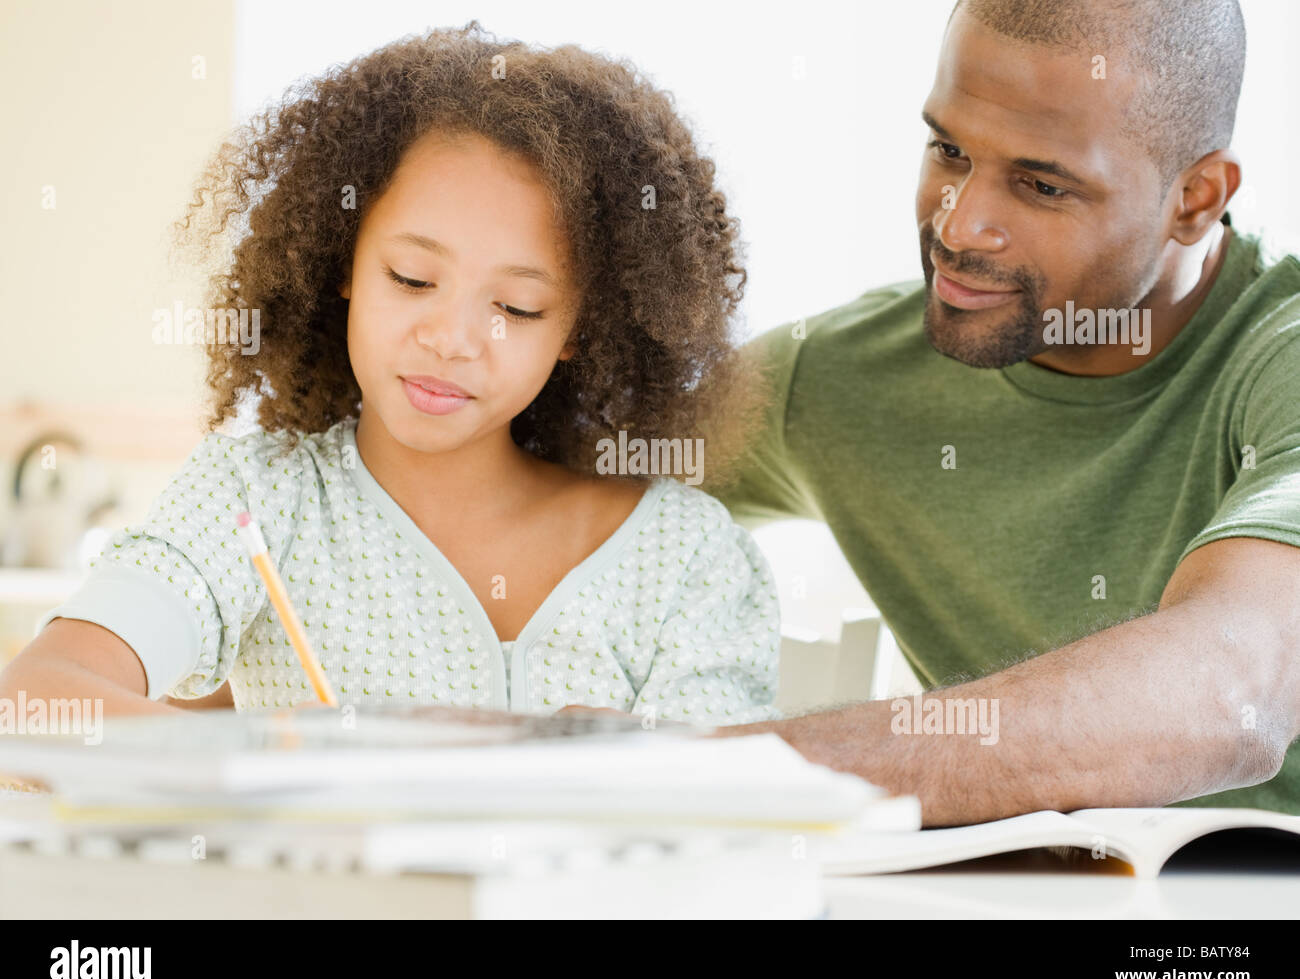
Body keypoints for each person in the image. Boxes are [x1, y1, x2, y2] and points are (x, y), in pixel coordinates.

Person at [0, 23, 779, 726]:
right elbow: (37, 701)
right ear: (343, 262)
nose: (451, 339)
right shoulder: (256, 503)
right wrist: (290, 761)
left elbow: (717, 830)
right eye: (411, 278)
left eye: (517, 304)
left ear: (581, 327)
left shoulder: (687, 559)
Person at [712, 0, 1300, 821]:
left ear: (1195, 198)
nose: (959, 226)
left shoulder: (1282, 355)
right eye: (948, 150)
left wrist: (701, 771)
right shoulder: (831, 380)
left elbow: (1234, 689)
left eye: (1041, 184)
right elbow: (526, 473)